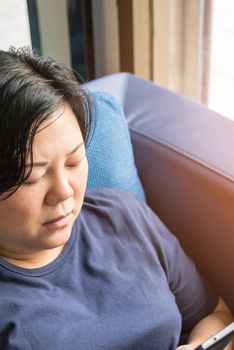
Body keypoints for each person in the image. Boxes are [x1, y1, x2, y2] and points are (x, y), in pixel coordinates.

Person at [0, 47, 232, 350]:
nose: (65, 191)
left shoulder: (124, 216)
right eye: (33, 176)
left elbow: (216, 316)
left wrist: (197, 346)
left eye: (73, 162)